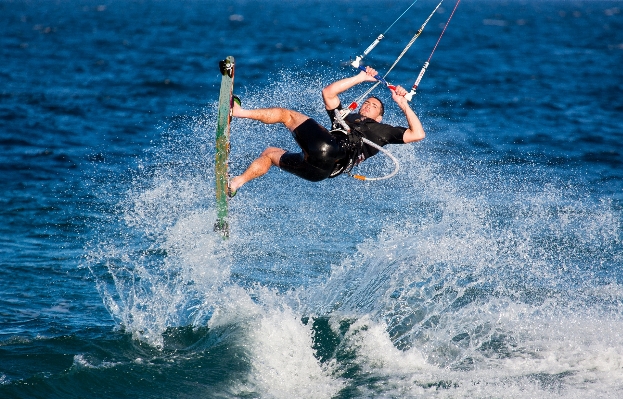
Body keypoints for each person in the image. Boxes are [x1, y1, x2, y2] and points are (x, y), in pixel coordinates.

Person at [227, 66, 425, 196]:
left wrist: (402, 104)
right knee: (270, 154)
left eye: (373, 105)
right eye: (366, 102)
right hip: (321, 173)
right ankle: (236, 183)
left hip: (330, 154)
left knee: (286, 115)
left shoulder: (383, 131)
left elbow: (418, 134)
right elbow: (328, 92)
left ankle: (238, 112)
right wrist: (361, 77)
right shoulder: (345, 117)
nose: (367, 104)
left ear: (379, 117)